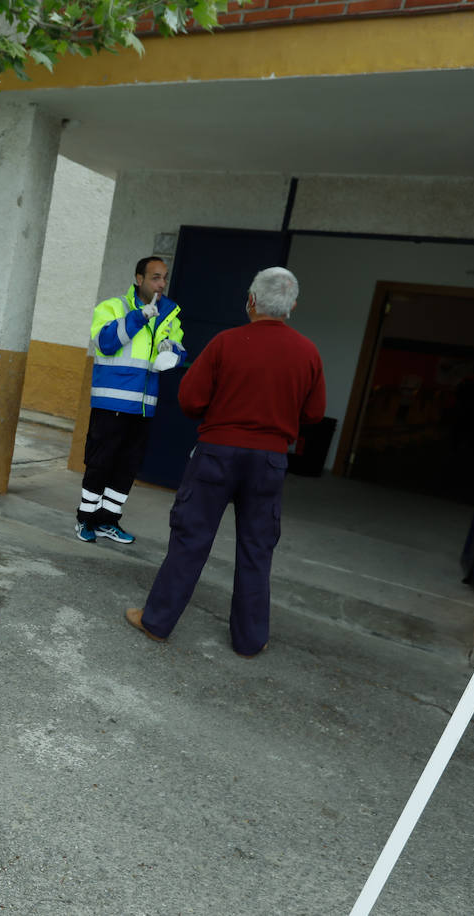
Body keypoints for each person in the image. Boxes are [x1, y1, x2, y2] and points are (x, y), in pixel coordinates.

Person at [125, 267, 326, 658]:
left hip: (217, 453)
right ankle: (250, 640)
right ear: (292, 306)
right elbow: (315, 413)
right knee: (256, 548)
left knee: (190, 540)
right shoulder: (308, 352)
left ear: (251, 300)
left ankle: (157, 622)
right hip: (268, 460)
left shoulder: (225, 343)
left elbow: (191, 400)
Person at [75, 257, 186, 544]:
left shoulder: (170, 313)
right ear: (139, 279)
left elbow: (180, 347)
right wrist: (140, 317)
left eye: (164, 278)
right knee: (100, 463)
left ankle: (108, 521)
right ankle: (86, 519)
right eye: (155, 278)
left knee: (127, 466)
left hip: (144, 406)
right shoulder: (113, 307)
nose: (161, 284)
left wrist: (170, 350)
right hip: (111, 403)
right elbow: (106, 342)